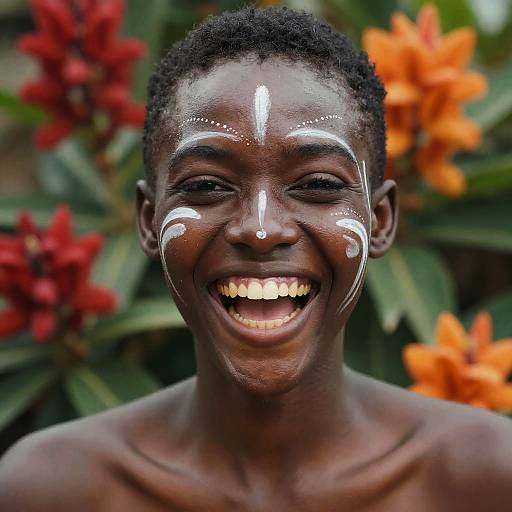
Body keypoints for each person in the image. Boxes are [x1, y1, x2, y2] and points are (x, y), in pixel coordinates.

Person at [1, 7, 511, 511]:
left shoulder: (481, 480)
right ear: (149, 221)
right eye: (205, 186)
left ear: (380, 219)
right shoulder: (54, 489)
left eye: (317, 185)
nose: (262, 230)